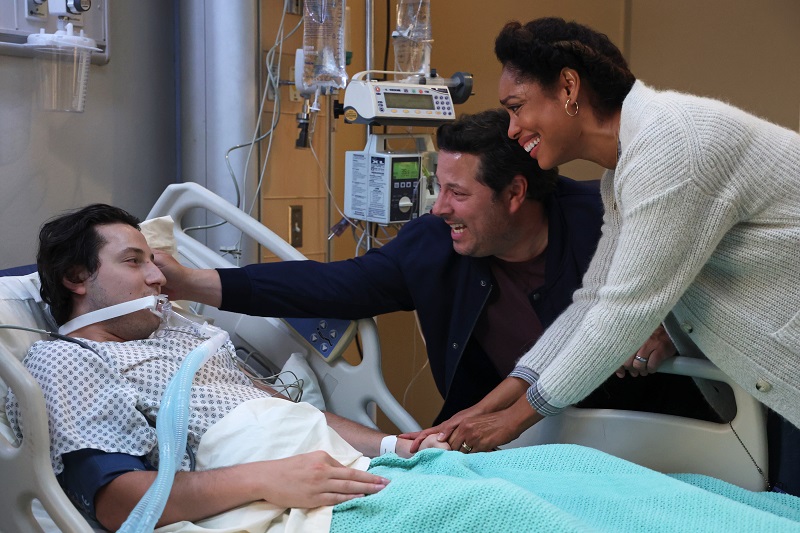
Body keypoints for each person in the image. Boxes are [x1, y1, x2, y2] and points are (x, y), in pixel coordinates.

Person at [419, 17, 800, 491]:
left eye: (516, 108)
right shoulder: (625, 170)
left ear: (568, 87)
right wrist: (484, 408)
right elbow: (593, 301)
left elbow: (623, 313)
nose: (512, 129)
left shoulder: (673, 146)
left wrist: (514, 422)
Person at [156, 108, 678, 427]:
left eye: (457, 192)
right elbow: (334, 285)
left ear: (515, 193)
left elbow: (703, 282)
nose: (439, 207)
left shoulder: (611, 218)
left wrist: (669, 327)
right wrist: (192, 282)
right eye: (438, 187)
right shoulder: (434, 244)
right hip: (505, 438)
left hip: (646, 431)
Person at [3, 204, 447, 531]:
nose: (158, 278)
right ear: (76, 277)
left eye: (154, 262)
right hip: (300, 506)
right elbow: (117, 502)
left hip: (347, 469)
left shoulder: (185, 336)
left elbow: (284, 412)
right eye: (134, 262)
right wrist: (267, 479)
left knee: (480, 474)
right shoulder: (67, 359)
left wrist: (394, 445)